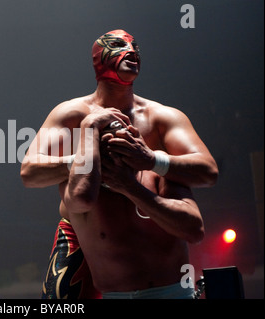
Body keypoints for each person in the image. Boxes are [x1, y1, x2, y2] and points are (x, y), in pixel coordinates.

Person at [20, 29, 218, 299]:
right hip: (110, 285)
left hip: (172, 288)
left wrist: (151, 159)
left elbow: (208, 173)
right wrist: (84, 156)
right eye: (118, 44)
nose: (132, 51)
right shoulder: (71, 115)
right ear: (96, 58)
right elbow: (29, 172)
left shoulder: (162, 119)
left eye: (136, 47)